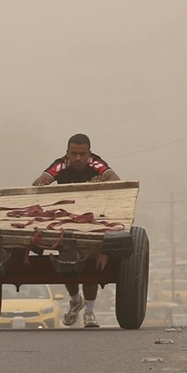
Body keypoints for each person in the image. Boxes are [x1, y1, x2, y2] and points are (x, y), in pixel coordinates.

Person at [32, 133, 120, 328]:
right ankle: (74, 300)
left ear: (89, 154)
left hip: (92, 222)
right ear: (67, 154)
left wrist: (102, 184)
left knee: (90, 262)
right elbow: (40, 181)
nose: (78, 158)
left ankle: (89, 312)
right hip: (65, 221)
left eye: (82, 154)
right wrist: (42, 183)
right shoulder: (60, 165)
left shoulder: (97, 164)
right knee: (66, 261)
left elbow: (116, 180)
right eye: (74, 154)